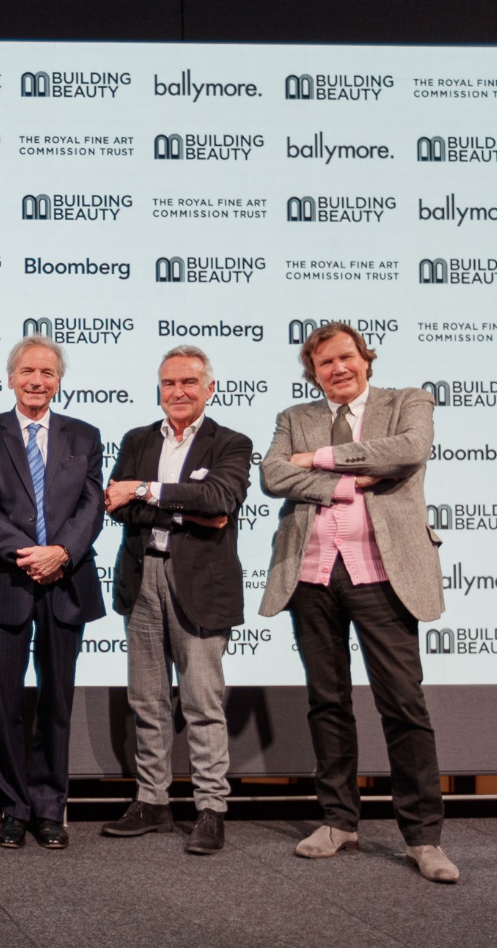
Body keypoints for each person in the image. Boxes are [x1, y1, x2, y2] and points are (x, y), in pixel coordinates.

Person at [260, 323, 456, 883]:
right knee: (328, 702)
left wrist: (318, 457)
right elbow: (274, 474)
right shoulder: (291, 417)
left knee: (403, 705)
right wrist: (349, 482)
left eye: (346, 357)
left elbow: (409, 451)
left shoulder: (407, 402)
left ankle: (423, 837)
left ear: (365, 359)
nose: (337, 369)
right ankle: (339, 820)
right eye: (324, 363)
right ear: (313, 371)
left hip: (383, 575)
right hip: (313, 574)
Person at [101, 345, 251, 855]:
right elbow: (116, 507)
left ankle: (211, 808)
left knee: (202, 701)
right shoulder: (137, 438)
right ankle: (153, 801)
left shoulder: (231, 442)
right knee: (147, 700)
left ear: (210, 388)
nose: (178, 391)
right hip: (143, 578)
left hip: (200, 586)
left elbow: (219, 500)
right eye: (168, 383)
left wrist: (146, 491)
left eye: (188, 382)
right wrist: (184, 501)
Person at [0, 334, 105, 852]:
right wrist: (30, 555)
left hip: (66, 580)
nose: (36, 381)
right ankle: (12, 808)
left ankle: (49, 809)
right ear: (10, 378)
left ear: (59, 381)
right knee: (4, 703)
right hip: (3, 580)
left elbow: (92, 508)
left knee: (57, 701)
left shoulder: (84, 436)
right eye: (27, 372)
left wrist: (60, 553)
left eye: (46, 373)